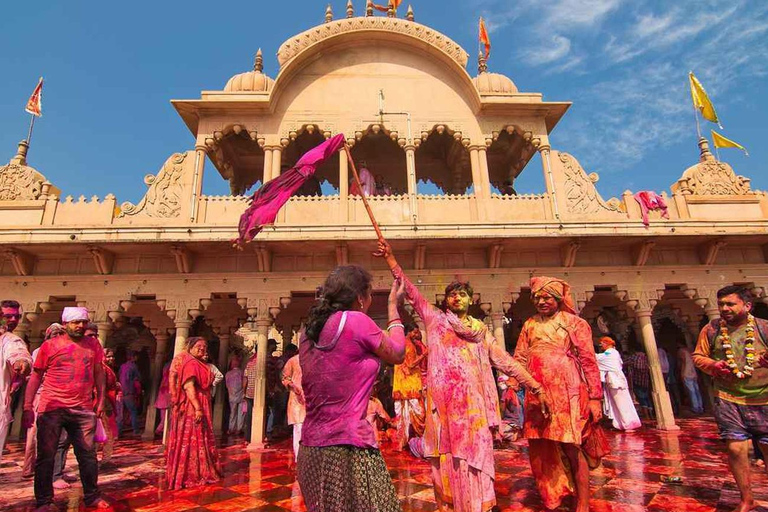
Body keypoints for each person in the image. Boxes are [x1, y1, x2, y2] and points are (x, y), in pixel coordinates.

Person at [376, 241, 549, 512]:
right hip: (444, 412)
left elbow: (506, 362)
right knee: (447, 463)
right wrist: (391, 259)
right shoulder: (435, 321)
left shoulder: (481, 333)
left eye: (462, 294)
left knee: (477, 461)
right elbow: (411, 292)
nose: (456, 298)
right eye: (452, 294)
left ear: (471, 299)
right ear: (446, 301)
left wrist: (535, 386)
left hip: (474, 412)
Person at [297, 265, 407, 511]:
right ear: (360, 298)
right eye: (369, 295)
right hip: (349, 449)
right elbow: (398, 353)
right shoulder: (356, 321)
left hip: (311, 451)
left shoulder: (307, 332)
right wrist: (393, 308)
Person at [514, 277, 607, 512]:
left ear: (558, 299)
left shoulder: (574, 323)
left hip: (569, 392)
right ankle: (554, 497)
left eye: (547, 297)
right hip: (537, 394)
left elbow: (588, 361)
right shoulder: (529, 325)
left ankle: (583, 503)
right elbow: (520, 358)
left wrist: (595, 397)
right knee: (541, 446)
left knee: (571, 446)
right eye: (537, 298)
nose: (541, 301)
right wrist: (513, 383)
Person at [22, 307, 108, 510]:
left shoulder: (93, 344)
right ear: (65, 323)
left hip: (82, 408)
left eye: (83, 322)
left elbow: (99, 372)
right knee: (46, 456)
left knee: (87, 455)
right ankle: (44, 501)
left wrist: (101, 400)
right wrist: (27, 406)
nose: (80, 326)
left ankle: (92, 496)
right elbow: (36, 376)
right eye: (75, 322)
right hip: (52, 407)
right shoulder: (49, 346)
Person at [693, 285, 768, 512]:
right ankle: (746, 498)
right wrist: (714, 365)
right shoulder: (712, 329)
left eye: (730, 304)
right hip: (727, 397)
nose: (724, 309)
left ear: (747, 306)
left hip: (764, 397)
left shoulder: (763, 328)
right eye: (721, 304)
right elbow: (698, 356)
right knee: (736, 449)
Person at [166, 336, 221, 490]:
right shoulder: (190, 363)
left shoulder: (192, 361)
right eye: (199, 346)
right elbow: (189, 386)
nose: (202, 349)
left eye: (204, 347)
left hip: (197, 401)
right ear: (190, 346)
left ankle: (191, 471)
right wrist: (197, 407)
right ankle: (193, 473)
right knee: (193, 435)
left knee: (197, 436)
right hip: (192, 405)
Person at [22, 324, 66, 479]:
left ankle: (54, 470)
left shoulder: (64, 350)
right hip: (42, 396)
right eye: (55, 334)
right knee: (34, 434)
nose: (58, 337)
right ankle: (29, 468)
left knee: (58, 436)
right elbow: (34, 376)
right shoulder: (40, 351)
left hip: (58, 396)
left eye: (60, 334)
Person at [0, 299, 31, 464]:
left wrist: (22, 363)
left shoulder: (10, 340)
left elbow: (18, 354)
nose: (13, 320)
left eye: (16, 317)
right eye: (8, 316)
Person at [392, 323, 426, 451]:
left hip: (401, 386)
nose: (417, 335)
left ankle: (402, 443)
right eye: (416, 332)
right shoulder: (409, 345)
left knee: (402, 417)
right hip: (410, 385)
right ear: (410, 332)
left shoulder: (401, 343)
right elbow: (411, 364)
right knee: (419, 413)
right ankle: (422, 443)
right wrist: (424, 354)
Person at [596, 337, 641, 431]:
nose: (601, 346)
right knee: (617, 403)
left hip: (616, 381)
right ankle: (621, 424)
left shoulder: (611, 352)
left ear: (607, 343)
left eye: (602, 343)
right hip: (614, 380)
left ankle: (629, 424)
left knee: (621, 403)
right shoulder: (612, 353)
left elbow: (599, 359)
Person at [280, 344, 304, 460]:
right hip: (297, 400)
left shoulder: (315, 359)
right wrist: (293, 386)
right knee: (299, 427)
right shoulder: (293, 361)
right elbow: (285, 378)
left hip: (312, 400)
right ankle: (299, 457)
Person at [100, 347, 120, 463]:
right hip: (104, 404)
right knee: (108, 432)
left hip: (108, 402)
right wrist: (104, 405)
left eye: (112, 356)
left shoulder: (108, 369)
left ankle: (105, 457)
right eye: (108, 356)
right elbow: (100, 389)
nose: (111, 358)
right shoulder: (103, 369)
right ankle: (106, 458)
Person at [626, 348, 653, 419]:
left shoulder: (634, 357)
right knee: (647, 397)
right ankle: (651, 414)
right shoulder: (647, 357)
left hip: (637, 379)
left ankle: (646, 415)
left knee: (641, 398)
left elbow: (623, 362)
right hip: (646, 380)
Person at [119, 350, 142, 435]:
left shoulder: (122, 366)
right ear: (133, 357)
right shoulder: (133, 366)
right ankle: (136, 430)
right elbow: (138, 378)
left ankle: (119, 432)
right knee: (133, 411)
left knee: (120, 413)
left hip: (121, 391)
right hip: (129, 392)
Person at [678, 343, 704, 414]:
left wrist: (682, 372)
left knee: (691, 391)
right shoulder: (691, 351)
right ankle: (700, 407)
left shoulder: (682, 351)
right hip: (693, 372)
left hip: (687, 372)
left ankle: (695, 408)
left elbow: (683, 362)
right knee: (696, 390)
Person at [225, 355, 246, 435]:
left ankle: (231, 428)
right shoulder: (241, 372)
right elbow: (244, 382)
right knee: (241, 412)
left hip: (232, 396)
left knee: (233, 412)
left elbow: (227, 385)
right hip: (241, 395)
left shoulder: (228, 374)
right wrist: (244, 392)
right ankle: (239, 428)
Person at [242, 351, 258, 440]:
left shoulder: (249, 362)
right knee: (261, 414)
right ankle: (258, 436)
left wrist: (244, 391)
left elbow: (245, 378)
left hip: (249, 392)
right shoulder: (262, 361)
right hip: (259, 393)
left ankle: (248, 437)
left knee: (249, 415)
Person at [154, 361, 171, 435]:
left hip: (163, 395)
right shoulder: (168, 379)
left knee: (163, 416)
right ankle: (158, 430)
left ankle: (161, 430)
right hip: (166, 395)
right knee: (165, 418)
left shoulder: (164, 379)